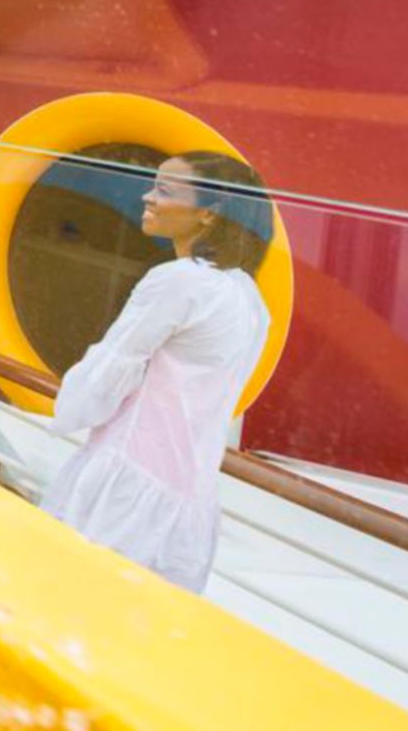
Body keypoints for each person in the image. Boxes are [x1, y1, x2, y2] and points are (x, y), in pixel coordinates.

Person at [40, 152, 275, 592]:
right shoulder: (248, 297)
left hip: (126, 485)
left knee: (68, 603)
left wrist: (67, 411)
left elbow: (111, 369)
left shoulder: (180, 280)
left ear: (209, 212)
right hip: (189, 503)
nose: (147, 196)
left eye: (165, 190)